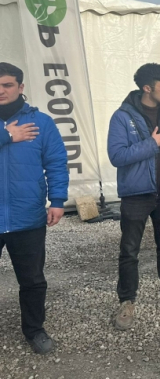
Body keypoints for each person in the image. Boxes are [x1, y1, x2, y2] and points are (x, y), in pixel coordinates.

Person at [107, 63, 160, 331]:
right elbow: (117, 156)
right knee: (130, 250)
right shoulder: (122, 116)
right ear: (147, 88)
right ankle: (127, 301)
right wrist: (151, 144)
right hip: (136, 194)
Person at [0, 62, 68, 354]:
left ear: (21, 87)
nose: (1, 91)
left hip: (26, 216)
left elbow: (56, 162)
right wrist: (7, 136)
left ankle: (34, 329)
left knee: (32, 280)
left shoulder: (42, 123)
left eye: (7, 85)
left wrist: (58, 201)